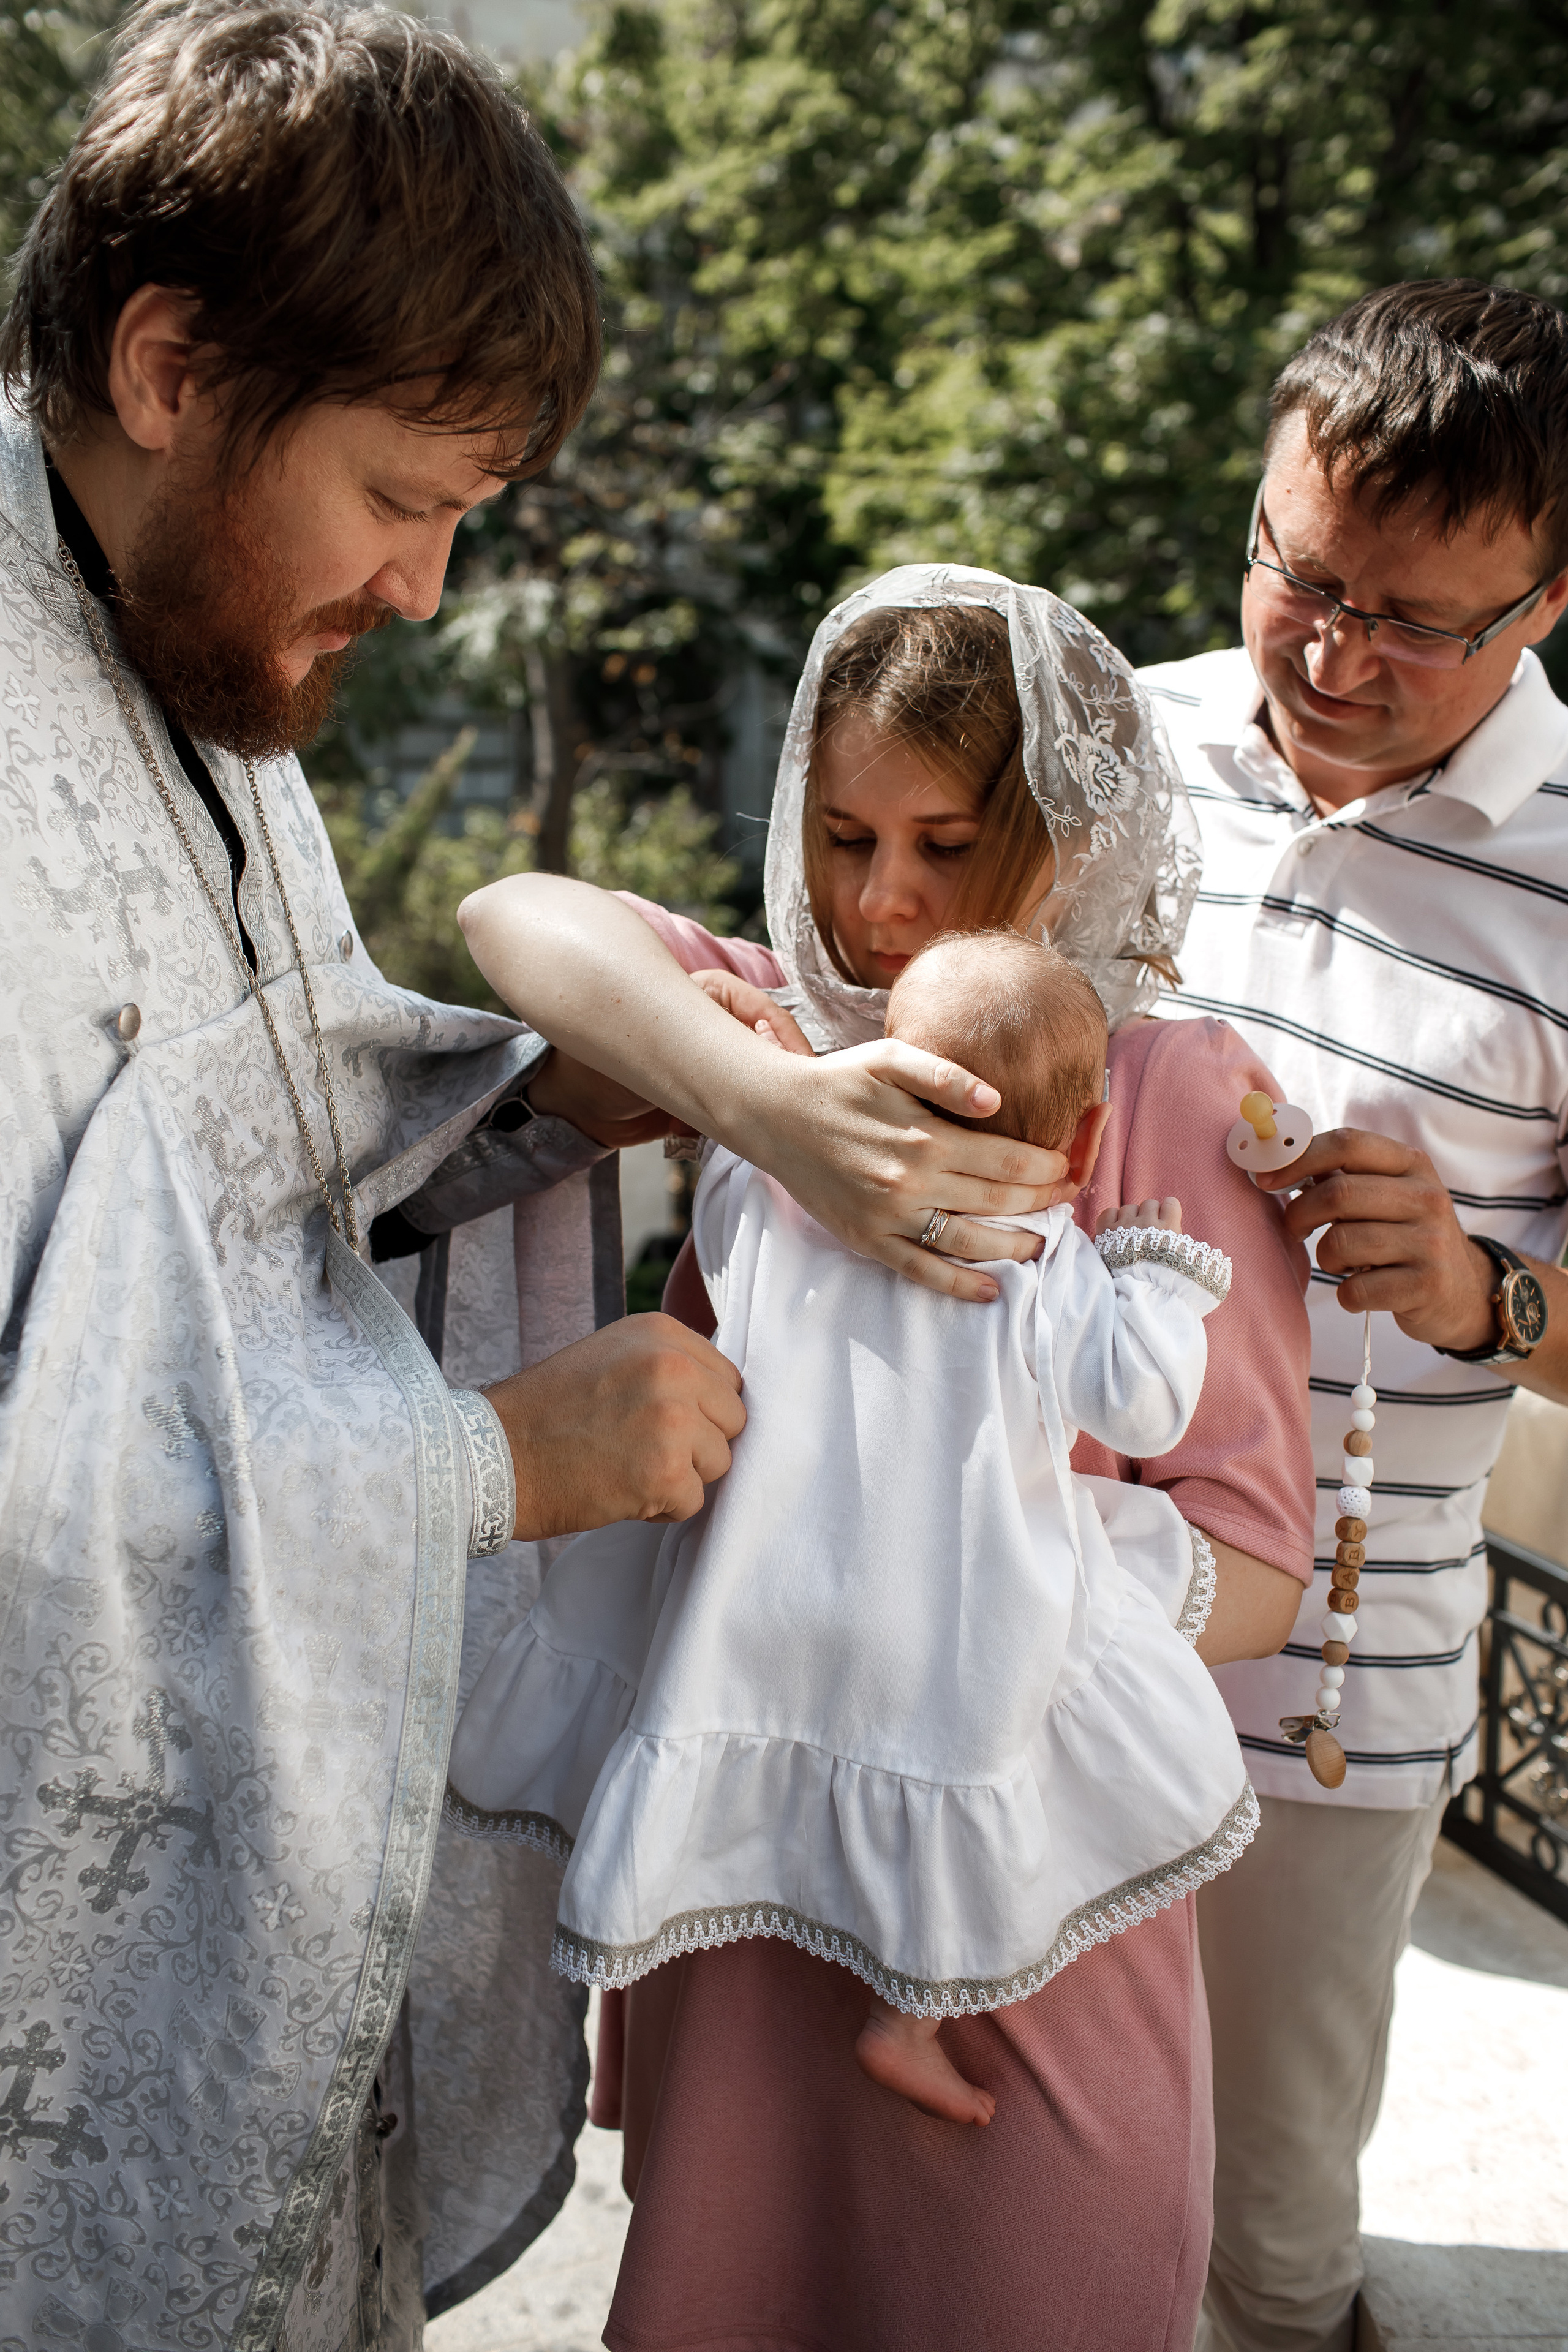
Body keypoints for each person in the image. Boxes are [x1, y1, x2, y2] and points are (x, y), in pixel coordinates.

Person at [0, 15, 1075, 2346]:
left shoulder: (179, 649)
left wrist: (541, 1118)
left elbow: (237, 1200)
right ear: (173, 366)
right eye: (405, 493)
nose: (425, 586)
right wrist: (481, 1467)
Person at [456, 565, 1317, 2351]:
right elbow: (510, 913)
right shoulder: (777, 1032)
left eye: (943, 844)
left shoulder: (1159, 1092)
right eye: (843, 837)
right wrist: (766, 1105)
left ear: (1062, 841)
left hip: (1022, 1917)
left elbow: (1257, 1561)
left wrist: (963, 1574)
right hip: (752, 1878)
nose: (877, 901)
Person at [445, 929, 1254, 2131]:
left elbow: (735, 1185)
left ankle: (654, 1910)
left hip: (768, 1589)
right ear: (1083, 1143)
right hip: (948, 1618)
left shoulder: (784, 1202)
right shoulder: (1046, 1262)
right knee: (953, 1767)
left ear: (876, 1077)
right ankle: (904, 2021)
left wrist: (767, 1073)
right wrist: (1157, 1279)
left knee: (722, 1727)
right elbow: (1140, 1403)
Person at [1134, 278, 1568, 2352]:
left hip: (1333, 1703)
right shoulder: (1108, 741)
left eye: (1412, 621)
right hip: (1020, 1640)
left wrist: (1482, 1289)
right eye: (1299, 576)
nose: (1328, 654)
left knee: (1264, 2242)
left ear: (1550, 603)